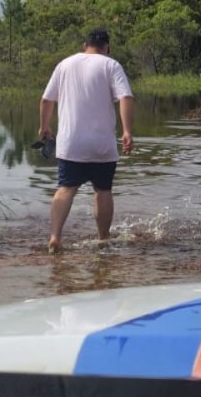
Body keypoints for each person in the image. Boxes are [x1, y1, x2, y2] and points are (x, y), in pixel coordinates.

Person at [38, 28, 134, 253]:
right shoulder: (111, 65)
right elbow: (126, 97)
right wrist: (127, 131)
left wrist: (44, 126)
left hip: (71, 143)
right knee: (103, 190)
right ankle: (103, 239)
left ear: (85, 45)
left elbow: (46, 100)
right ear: (107, 47)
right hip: (102, 144)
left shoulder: (65, 64)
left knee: (65, 189)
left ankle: (55, 237)